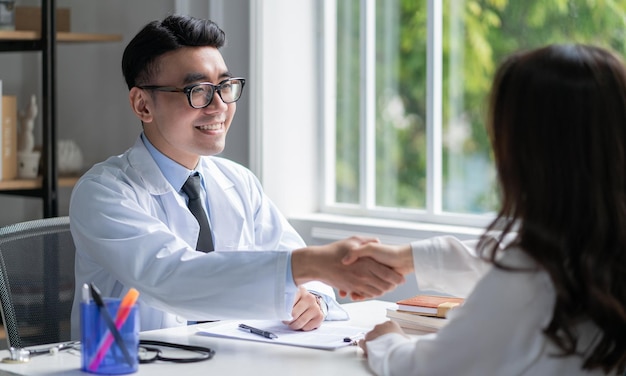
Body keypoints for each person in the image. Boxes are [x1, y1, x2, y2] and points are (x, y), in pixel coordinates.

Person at [69, 15, 404, 338]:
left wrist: (313, 299)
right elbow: (173, 279)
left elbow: (299, 267)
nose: (219, 106)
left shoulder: (238, 182)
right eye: (197, 90)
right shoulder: (104, 193)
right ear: (143, 105)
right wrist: (312, 263)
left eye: (225, 86)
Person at [343, 44, 626, 375]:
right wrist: (409, 258)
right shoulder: (598, 250)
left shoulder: (528, 280)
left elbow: (430, 370)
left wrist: (386, 340)